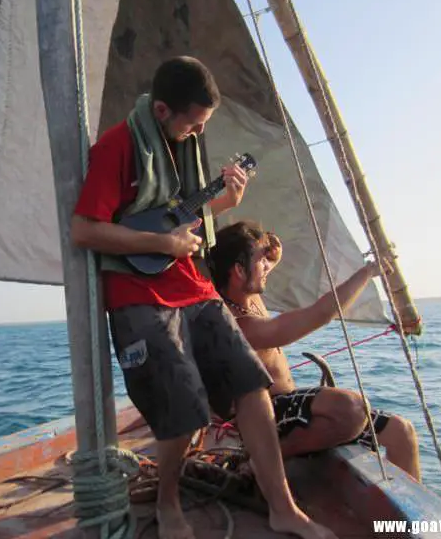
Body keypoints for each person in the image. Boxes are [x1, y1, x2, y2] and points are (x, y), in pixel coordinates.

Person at [71, 57, 336, 539]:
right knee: (182, 404)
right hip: (139, 295)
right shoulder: (118, 148)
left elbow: (181, 217)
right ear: (161, 110)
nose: (196, 133)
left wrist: (226, 203)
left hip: (194, 288)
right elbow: (85, 229)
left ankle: (283, 507)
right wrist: (161, 245)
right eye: (192, 123)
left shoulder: (187, 146)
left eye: (203, 125)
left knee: (251, 384)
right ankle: (169, 501)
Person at [208, 220, 422, 482]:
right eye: (260, 261)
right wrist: (368, 271)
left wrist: (269, 258)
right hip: (268, 415)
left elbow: (255, 268)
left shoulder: (247, 297)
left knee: (403, 432)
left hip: (291, 407)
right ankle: (266, 458)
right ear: (239, 271)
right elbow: (319, 313)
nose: (267, 266)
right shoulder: (239, 325)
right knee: (352, 410)